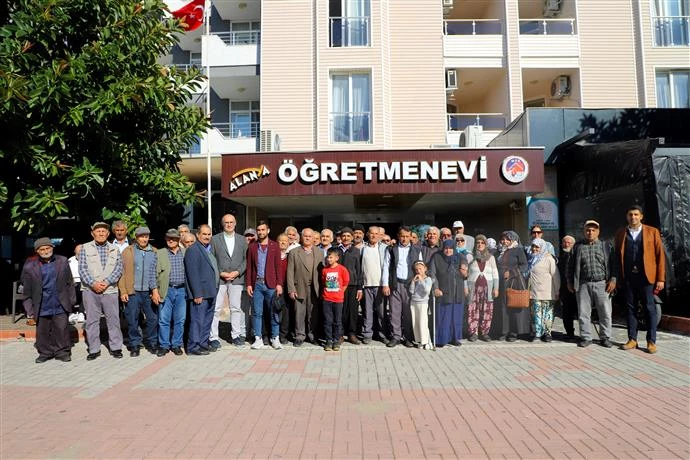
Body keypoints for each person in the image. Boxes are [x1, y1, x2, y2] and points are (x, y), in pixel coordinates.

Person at [614, 205, 666, 354]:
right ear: (627, 217)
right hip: (628, 277)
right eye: (630, 214)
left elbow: (660, 256)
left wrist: (660, 278)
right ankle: (632, 339)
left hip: (646, 277)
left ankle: (651, 341)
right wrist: (616, 277)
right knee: (630, 308)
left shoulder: (652, 232)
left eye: (636, 214)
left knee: (649, 308)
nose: (633, 217)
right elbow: (617, 257)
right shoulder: (621, 233)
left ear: (641, 216)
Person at [21, 238, 76, 363]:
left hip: (60, 302)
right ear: (37, 251)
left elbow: (69, 282)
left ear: (52, 248)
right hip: (41, 304)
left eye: (48, 248)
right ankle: (45, 352)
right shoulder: (30, 266)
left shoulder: (62, 261)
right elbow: (27, 290)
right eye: (42, 249)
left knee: (61, 329)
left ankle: (62, 352)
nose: (46, 251)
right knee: (42, 331)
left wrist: (71, 301)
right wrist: (29, 309)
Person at [79, 221, 124, 360]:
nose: (101, 233)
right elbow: (82, 269)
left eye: (103, 231)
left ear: (108, 233)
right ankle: (94, 349)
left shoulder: (114, 249)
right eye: (98, 231)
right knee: (92, 321)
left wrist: (107, 282)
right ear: (92, 233)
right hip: (90, 290)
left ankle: (116, 347)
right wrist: (93, 284)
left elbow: (119, 269)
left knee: (113, 320)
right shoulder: (85, 248)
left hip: (110, 290)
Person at [567, 220, 615, 348]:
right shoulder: (578, 247)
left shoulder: (606, 246)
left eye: (593, 230)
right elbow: (570, 266)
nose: (590, 232)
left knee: (605, 313)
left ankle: (605, 337)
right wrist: (570, 281)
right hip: (583, 284)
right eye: (588, 230)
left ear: (598, 232)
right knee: (583, 313)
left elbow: (614, 264)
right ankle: (586, 337)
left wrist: (613, 280)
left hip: (602, 284)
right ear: (584, 231)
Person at [118, 226, 160, 357]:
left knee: (153, 318)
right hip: (133, 291)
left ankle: (152, 342)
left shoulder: (154, 251)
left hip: (149, 292)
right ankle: (135, 344)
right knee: (132, 319)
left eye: (146, 236)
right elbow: (122, 272)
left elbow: (158, 273)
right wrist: (123, 290)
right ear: (136, 238)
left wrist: (156, 291)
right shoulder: (128, 251)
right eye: (141, 237)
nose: (144, 239)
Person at [210, 214, 247, 349]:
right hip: (220, 279)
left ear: (235, 223)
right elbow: (212, 258)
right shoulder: (215, 239)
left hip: (237, 279)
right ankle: (213, 337)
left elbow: (246, 259)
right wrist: (221, 272)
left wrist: (237, 272)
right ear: (222, 224)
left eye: (231, 222)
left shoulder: (242, 240)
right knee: (216, 309)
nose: (229, 224)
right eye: (226, 222)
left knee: (236, 308)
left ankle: (236, 336)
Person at [246, 221, 284, 350]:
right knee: (257, 313)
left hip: (271, 285)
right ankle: (258, 338)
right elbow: (249, 267)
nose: (261, 232)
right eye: (259, 230)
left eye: (263, 230)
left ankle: (275, 338)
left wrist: (279, 284)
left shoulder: (275, 246)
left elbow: (278, 267)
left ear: (268, 231)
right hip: (257, 284)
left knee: (274, 312)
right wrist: (249, 284)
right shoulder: (252, 247)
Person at [382, 226, 422, 348]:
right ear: (398, 236)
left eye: (407, 236)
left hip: (410, 284)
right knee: (394, 312)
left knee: (408, 312)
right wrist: (385, 284)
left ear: (410, 237)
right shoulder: (391, 249)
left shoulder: (417, 250)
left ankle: (408, 337)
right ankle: (396, 336)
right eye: (402, 236)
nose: (404, 239)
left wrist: (420, 282)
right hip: (395, 283)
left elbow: (420, 267)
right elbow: (386, 266)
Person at [184, 224, 219, 356]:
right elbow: (192, 274)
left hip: (210, 291)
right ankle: (193, 346)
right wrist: (197, 293)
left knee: (207, 320)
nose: (207, 236)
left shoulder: (206, 249)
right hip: (201, 293)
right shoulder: (193, 250)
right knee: (197, 320)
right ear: (198, 235)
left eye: (209, 234)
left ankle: (203, 343)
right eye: (204, 234)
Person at [287, 228, 322, 346]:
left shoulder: (319, 252)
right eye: (305, 236)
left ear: (313, 238)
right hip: (299, 286)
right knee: (299, 313)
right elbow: (290, 272)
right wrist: (291, 289)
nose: (307, 238)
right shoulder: (294, 252)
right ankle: (299, 336)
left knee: (313, 313)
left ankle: (312, 335)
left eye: (309, 236)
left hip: (315, 287)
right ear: (301, 237)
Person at [493, 231, 530, 342]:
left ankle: (513, 333)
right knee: (502, 307)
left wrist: (511, 272)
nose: (505, 242)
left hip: (514, 282)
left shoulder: (518, 250)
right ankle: (504, 332)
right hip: (501, 283)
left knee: (513, 306)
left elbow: (524, 265)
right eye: (503, 239)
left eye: (508, 239)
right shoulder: (498, 251)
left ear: (513, 240)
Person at [155, 229, 187, 357]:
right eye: (168, 238)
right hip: (166, 290)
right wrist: (155, 291)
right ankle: (164, 345)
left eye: (174, 238)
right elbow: (154, 273)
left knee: (180, 319)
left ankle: (176, 344)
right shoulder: (160, 253)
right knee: (164, 319)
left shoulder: (185, 253)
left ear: (179, 240)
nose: (171, 240)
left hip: (182, 290)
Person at [431, 239, 467, 347]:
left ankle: (454, 338)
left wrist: (465, 272)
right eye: (446, 248)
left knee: (456, 317)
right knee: (443, 317)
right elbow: (432, 273)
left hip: (457, 292)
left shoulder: (460, 257)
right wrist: (436, 288)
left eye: (450, 248)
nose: (448, 250)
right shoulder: (437, 257)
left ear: (454, 249)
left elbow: (466, 274)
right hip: (443, 291)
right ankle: (441, 339)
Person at [465, 235, 499, 342]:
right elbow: (465, 274)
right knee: (473, 310)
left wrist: (496, 288)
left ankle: (485, 333)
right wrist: (465, 287)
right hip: (473, 288)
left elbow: (495, 274)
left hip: (487, 288)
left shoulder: (491, 258)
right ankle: (473, 332)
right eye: (478, 243)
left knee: (487, 310)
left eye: (482, 243)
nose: (480, 245)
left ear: (486, 245)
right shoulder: (470, 257)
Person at [527, 238, 560, 342]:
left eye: (537, 247)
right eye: (533, 246)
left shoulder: (549, 259)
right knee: (536, 313)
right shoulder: (531, 259)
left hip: (548, 291)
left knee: (548, 313)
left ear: (542, 247)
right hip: (535, 291)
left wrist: (557, 290)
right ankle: (538, 334)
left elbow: (556, 276)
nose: (534, 249)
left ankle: (547, 333)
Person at [360, 226, 387, 344]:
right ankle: (367, 334)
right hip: (366, 285)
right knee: (367, 311)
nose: (374, 236)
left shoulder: (384, 248)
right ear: (367, 234)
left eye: (376, 234)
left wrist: (386, 284)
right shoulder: (362, 249)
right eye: (372, 233)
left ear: (379, 235)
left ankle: (382, 334)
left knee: (381, 312)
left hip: (380, 285)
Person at [337, 227, 363, 345]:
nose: (346, 238)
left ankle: (352, 333)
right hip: (339, 285)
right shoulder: (336, 250)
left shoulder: (356, 251)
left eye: (348, 236)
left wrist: (359, 288)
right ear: (340, 237)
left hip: (353, 285)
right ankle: (340, 334)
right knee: (340, 310)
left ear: (352, 237)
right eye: (344, 236)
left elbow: (359, 270)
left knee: (353, 311)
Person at [321, 248, 350, 352]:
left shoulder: (342, 269)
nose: (329, 259)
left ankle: (336, 340)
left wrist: (340, 292)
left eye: (331, 257)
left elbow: (345, 282)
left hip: (338, 300)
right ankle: (328, 340)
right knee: (328, 321)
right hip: (327, 299)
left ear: (337, 258)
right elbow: (323, 282)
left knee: (337, 321)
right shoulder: (325, 270)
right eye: (328, 257)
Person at [409, 260, 433, 349]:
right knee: (416, 323)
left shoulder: (428, 279)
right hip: (414, 303)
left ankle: (427, 341)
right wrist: (413, 282)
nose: (418, 271)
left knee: (423, 323)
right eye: (416, 269)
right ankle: (419, 341)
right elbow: (411, 291)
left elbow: (427, 291)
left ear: (425, 269)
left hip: (423, 303)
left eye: (420, 269)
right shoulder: (415, 279)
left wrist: (422, 280)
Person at [558, 235, 577, 340]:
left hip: (577, 288)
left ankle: (584, 335)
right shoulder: (560, 257)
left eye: (569, 243)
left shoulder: (577, 255)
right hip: (564, 289)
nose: (566, 244)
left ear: (573, 244)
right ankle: (570, 333)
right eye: (564, 242)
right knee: (566, 312)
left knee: (580, 312)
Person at [276, 233, 291, 344]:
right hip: (274, 287)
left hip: (287, 288)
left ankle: (283, 335)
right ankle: (274, 334)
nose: (283, 242)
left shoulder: (291, 256)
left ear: (288, 243)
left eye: (285, 241)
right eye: (280, 240)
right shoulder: (273, 255)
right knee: (274, 311)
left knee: (285, 312)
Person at [67, 244, 85, 324]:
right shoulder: (70, 260)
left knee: (85, 290)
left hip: (83, 282)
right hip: (73, 282)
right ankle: (70, 313)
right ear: (74, 251)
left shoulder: (87, 259)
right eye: (78, 251)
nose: (79, 252)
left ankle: (81, 312)